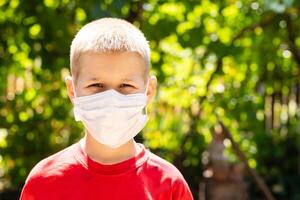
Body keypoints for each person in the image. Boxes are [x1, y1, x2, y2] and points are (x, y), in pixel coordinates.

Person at [20, 17, 194, 200]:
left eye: (125, 85)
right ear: (72, 91)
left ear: (149, 91)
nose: (112, 98)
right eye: (97, 85)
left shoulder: (170, 185)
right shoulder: (43, 182)